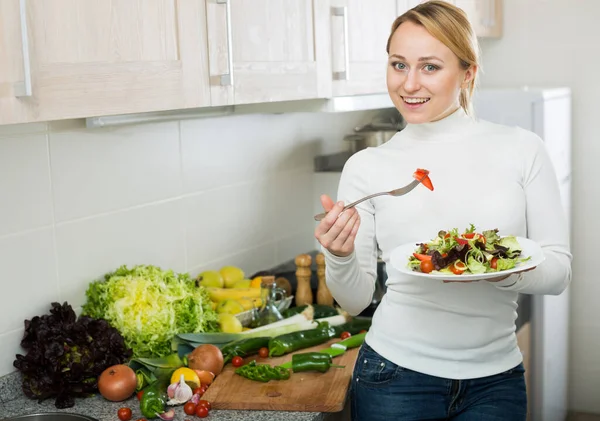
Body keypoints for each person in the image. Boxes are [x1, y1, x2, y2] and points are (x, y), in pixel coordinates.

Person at [314, 1, 572, 420]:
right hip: (393, 377)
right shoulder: (367, 166)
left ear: (467, 72)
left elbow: (559, 271)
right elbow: (357, 299)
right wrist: (339, 254)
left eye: (430, 67)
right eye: (399, 64)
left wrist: (502, 270)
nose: (409, 83)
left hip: (495, 381)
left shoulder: (523, 149)